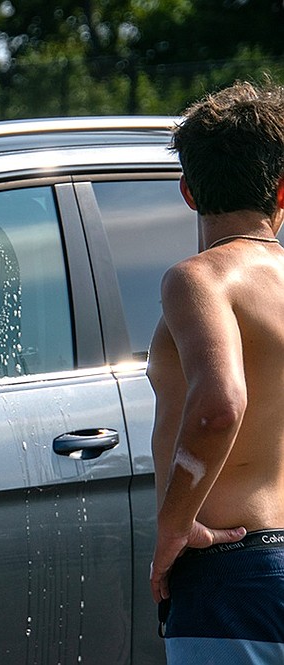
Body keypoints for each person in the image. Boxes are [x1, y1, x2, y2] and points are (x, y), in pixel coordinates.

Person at [149, 79, 284, 662]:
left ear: (187, 191)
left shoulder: (199, 279)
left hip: (233, 572)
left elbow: (220, 403)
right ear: (282, 190)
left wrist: (174, 527)